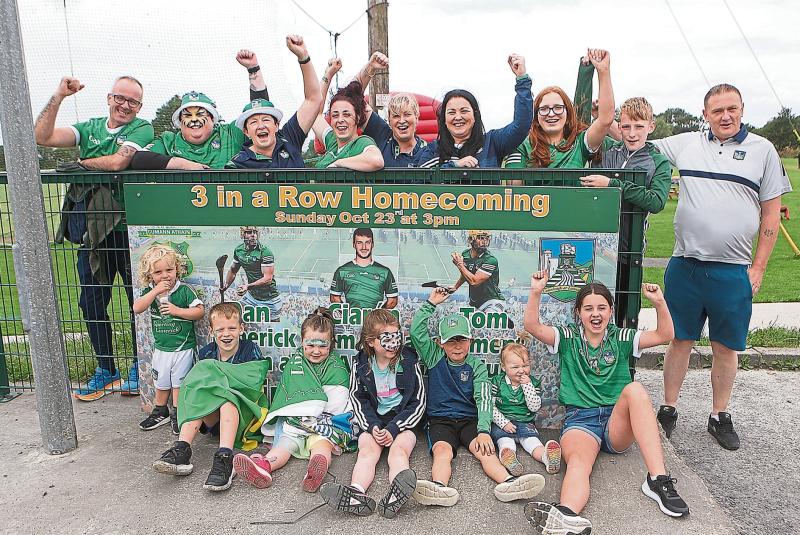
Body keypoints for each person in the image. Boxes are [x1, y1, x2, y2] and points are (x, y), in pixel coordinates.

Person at [649, 84, 792, 450]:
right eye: (717, 111)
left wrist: (758, 267)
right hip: (686, 265)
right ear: (705, 114)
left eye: (732, 109)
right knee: (679, 339)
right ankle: (668, 408)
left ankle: (719, 415)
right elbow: (637, 136)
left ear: (742, 109)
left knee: (725, 346)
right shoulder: (688, 143)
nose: (725, 116)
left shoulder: (763, 150)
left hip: (733, 270)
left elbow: (771, 213)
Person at [523, 273, 688, 533]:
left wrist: (659, 302)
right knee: (578, 463)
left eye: (602, 307)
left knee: (635, 389)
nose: (595, 314)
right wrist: (536, 291)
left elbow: (666, 334)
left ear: (611, 311)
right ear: (578, 312)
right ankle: (566, 517)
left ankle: (658, 479)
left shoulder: (621, 337)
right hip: (581, 420)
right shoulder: (567, 337)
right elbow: (532, 326)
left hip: (615, 420)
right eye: (588, 308)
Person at [35, 75, 154, 399]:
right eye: (120, 98)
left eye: (133, 101)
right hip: (92, 236)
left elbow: (118, 162)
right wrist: (59, 95)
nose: (125, 105)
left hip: (128, 233)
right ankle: (106, 368)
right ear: (109, 97)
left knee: (137, 304)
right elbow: (42, 136)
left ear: (140, 106)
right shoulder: (89, 128)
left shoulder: (141, 129)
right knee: (90, 303)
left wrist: (80, 164)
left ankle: (137, 366)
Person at [410, 288, 545, 506]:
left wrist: (483, 431)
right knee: (442, 452)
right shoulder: (434, 357)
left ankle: (509, 482)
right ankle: (439, 487)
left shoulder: (477, 367)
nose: (456, 345)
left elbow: (484, 400)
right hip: (440, 419)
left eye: (461, 340)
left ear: (470, 341)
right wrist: (431, 303)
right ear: (440, 343)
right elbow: (416, 332)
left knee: (485, 451)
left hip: (470, 420)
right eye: (451, 341)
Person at [152, 302, 268, 492]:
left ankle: (225, 458)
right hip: (213, 416)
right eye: (220, 329)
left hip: (243, 414)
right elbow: (197, 384)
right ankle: (182, 449)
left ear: (241, 329)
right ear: (211, 331)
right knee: (200, 394)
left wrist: (221, 381)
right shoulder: (207, 353)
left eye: (232, 328)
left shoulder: (249, 349)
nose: (226, 334)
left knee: (227, 399)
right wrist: (221, 381)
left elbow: (253, 381)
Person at [233, 308, 353, 493]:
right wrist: (303, 416)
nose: (316, 351)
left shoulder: (336, 367)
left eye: (322, 345)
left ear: (331, 344)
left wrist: (313, 417)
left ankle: (316, 469)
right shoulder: (295, 362)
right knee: (284, 445)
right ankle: (264, 467)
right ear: (302, 341)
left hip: (327, 421)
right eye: (310, 345)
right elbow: (289, 396)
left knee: (321, 445)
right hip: (297, 421)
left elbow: (337, 404)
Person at [320, 309, 425, 518]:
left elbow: (418, 402)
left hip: (402, 422)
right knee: (367, 451)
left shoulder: (410, 361)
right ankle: (355, 493)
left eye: (397, 337)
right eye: (387, 338)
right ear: (370, 342)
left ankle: (397, 494)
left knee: (399, 452)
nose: (394, 344)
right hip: (374, 422)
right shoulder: (360, 364)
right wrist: (372, 426)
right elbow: (358, 399)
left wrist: (395, 428)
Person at [579, 96, 672, 325]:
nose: (632, 133)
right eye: (626, 126)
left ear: (651, 126)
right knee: (593, 308)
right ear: (618, 126)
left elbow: (657, 201)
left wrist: (614, 185)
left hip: (629, 252)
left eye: (639, 127)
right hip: (597, 246)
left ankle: (623, 358)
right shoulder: (609, 152)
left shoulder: (658, 162)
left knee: (624, 312)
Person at [130, 49, 270, 170]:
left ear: (212, 119)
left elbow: (258, 112)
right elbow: (138, 159)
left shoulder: (230, 133)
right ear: (179, 121)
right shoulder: (169, 140)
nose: (194, 119)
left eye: (200, 114)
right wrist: (184, 164)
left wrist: (253, 69)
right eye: (187, 115)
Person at [133, 244, 204, 434]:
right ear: (150, 276)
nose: (165, 275)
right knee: (161, 382)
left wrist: (177, 311)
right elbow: (137, 308)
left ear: (177, 270)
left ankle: (178, 414)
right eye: (158, 272)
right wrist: (156, 291)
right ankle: (160, 411)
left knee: (179, 384)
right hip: (162, 348)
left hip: (183, 348)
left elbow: (199, 311)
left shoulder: (184, 291)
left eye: (169, 270)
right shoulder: (150, 292)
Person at [414, 54, 532, 169]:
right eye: (451, 112)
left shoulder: (492, 142)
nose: (458, 117)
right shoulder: (433, 149)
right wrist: (455, 166)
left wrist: (522, 79)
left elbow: (521, 126)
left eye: (464, 111)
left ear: (475, 115)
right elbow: (421, 180)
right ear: (444, 119)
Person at [508, 49, 614, 170]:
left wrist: (603, 71)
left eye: (558, 108)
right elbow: (514, 187)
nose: (551, 114)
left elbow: (605, 120)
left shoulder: (579, 142)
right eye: (544, 109)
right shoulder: (523, 146)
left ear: (568, 112)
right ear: (536, 114)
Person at [227, 35, 321, 169]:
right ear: (246, 132)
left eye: (266, 119)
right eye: (253, 122)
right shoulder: (237, 165)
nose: (261, 126)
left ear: (276, 125)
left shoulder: (290, 138)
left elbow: (314, 99)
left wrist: (304, 57)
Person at [490, 343, 561, 477]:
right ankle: (509, 460)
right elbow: (490, 406)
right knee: (505, 442)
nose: (521, 370)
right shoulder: (497, 382)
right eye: (515, 367)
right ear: (503, 367)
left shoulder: (533, 383)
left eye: (525, 366)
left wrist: (527, 386)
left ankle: (547, 458)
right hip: (502, 422)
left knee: (532, 442)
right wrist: (503, 423)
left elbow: (534, 407)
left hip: (524, 421)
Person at [349, 52, 427, 167]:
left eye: (407, 114)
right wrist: (370, 68)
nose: (401, 120)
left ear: (416, 117)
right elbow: (351, 96)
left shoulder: (427, 151)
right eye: (396, 116)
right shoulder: (381, 135)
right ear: (389, 120)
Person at [311, 77, 384, 171]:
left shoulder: (362, 142)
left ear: (357, 117)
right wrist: (328, 74)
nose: (340, 119)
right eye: (335, 115)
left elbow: (376, 160)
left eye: (346, 114)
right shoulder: (332, 141)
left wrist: (338, 163)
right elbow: (315, 114)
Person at [330, 228, 398, 309]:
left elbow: (393, 300)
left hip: (375, 321)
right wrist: (349, 314)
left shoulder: (385, 272)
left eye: (367, 242)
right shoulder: (342, 271)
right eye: (359, 243)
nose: (364, 247)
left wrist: (377, 316)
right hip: (352, 321)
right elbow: (334, 297)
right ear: (354, 245)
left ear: (372, 244)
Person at [223, 226, 281, 321]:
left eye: (255, 232)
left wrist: (247, 286)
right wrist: (226, 285)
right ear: (243, 234)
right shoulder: (238, 250)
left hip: (269, 298)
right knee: (235, 318)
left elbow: (268, 279)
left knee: (272, 328)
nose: (253, 235)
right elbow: (233, 270)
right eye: (249, 232)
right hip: (251, 296)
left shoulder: (265, 252)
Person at [449, 230, 505, 313]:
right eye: (480, 238)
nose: (484, 241)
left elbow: (474, 281)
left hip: (492, 301)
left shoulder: (490, 260)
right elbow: (466, 274)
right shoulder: (466, 254)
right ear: (471, 240)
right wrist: (455, 287)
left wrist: (460, 264)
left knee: (488, 323)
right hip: (476, 303)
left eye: (486, 238)